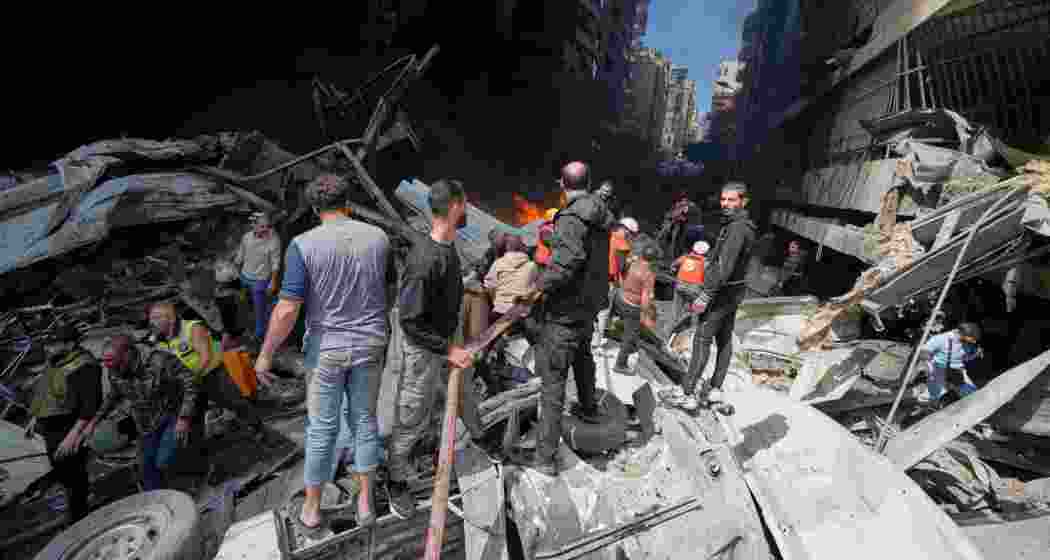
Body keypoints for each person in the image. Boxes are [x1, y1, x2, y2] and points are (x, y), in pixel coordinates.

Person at [253, 173, 391, 535]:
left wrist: (266, 353)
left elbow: (287, 309)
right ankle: (365, 503)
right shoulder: (378, 237)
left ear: (315, 208)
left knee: (322, 429)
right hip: (371, 343)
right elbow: (386, 287)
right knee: (364, 421)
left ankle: (312, 510)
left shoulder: (303, 245)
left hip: (328, 348)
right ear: (348, 203)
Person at [385, 178, 493, 520]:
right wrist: (448, 350)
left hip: (446, 341)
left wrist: (465, 285)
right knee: (412, 415)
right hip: (423, 350)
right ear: (456, 206)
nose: (468, 208)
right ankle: (396, 480)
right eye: (466, 203)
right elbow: (410, 322)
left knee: (464, 395)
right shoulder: (424, 261)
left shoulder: (447, 247)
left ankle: (482, 440)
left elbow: (441, 293)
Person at [522, 161, 614, 476]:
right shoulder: (600, 213)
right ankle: (589, 408)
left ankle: (544, 458)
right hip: (588, 307)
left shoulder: (572, 217)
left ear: (562, 184)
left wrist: (537, 287)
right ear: (588, 183)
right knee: (583, 357)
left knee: (553, 384)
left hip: (565, 311)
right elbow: (587, 257)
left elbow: (566, 264)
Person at [81, 334, 200, 491]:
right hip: (146, 423)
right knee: (145, 468)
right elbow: (113, 396)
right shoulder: (114, 368)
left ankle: (188, 483)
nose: (112, 370)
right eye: (108, 365)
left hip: (173, 414)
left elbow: (190, 382)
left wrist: (184, 418)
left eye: (116, 364)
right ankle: (158, 498)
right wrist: (93, 422)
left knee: (164, 460)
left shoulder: (159, 361)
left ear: (128, 355)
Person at [147, 303, 268, 445]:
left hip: (211, 374)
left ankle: (258, 428)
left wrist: (193, 377)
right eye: (151, 318)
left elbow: (205, 357)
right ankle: (198, 449)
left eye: (157, 318)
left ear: (171, 319)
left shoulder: (192, 328)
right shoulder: (157, 339)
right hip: (188, 382)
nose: (152, 322)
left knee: (235, 403)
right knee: (193, 415)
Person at [682, 182, 756, 405]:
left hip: (721, 293)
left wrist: (706, 295)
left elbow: (724, 267)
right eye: (723, 199)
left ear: (743, 201)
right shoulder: (743, 225)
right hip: (734, 292)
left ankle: (687, 393)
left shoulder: (736, 228)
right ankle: (715, 388)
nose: (725, 204)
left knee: (702, 339)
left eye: (731, 200)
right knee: (724, 339)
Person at [28, 323, 102, 523]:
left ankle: (79, 518)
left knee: (74, 472)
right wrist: (35, 417)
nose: (49, 347)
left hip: (70, 426)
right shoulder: (55, 360)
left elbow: (90, 405)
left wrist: (72, 436)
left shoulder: (86, 366)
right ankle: (78, 499)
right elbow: (45, 391)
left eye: (55, 343)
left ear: (70, 344)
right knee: (59, 467)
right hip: (50, 426)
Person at [610, 242, 661, 375]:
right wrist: (646, 314)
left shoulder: (631, 263)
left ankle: (629, 344)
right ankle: (620, 364)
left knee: (629, 328)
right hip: (633, 306)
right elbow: (645, 297)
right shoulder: (648, 274)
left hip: (620, 298)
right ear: (654, 260)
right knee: (630, 336)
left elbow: (621, 275)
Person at [234, 212, 282, 342]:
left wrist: (273, 282)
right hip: (244, 276)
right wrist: (236, 271)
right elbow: (240, 255)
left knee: (259, 309)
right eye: (262, 226)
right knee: (243, 301)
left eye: (268, 226)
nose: (266, 229)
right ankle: (244, 326)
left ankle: (260, 334)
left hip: (260, 280)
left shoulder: (274, 240)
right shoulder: (246, 237)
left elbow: (275, 263)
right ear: (253, 225)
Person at [922, 322, 982, 407]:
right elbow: (924, 352)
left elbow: (963, 358)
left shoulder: (967, 342)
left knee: (972, 395)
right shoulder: (942, 338)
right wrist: (930, 366)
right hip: (939, 370)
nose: (974, 341)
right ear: (962, 333)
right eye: (972, 339)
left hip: (958, 371)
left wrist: (975, 355)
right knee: (930, 399)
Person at [484, 234, 540, 323]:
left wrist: (497, 302)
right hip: (522, 313)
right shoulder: (532, 266)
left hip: (500, 311)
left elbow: (489, 287)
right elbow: (536, 287)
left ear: (507, 247)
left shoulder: (497, 264)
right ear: (522, 247)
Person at [671, 241, 708, 327]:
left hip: (680, 286)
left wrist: (674, 272)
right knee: (697, 308)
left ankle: (673, 324)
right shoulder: (705, 262)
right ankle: (694, 326)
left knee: (676, 308)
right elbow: (709, 277)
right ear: (706, 252)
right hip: (694, 290)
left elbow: (673, 266)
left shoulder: (684, 257)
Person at [610, 217, 639, 287]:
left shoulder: (611, 235)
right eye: (633, 234)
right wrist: (631, 261)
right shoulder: (623, 244)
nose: (632, 237)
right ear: (627, 231)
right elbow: (621, 268)